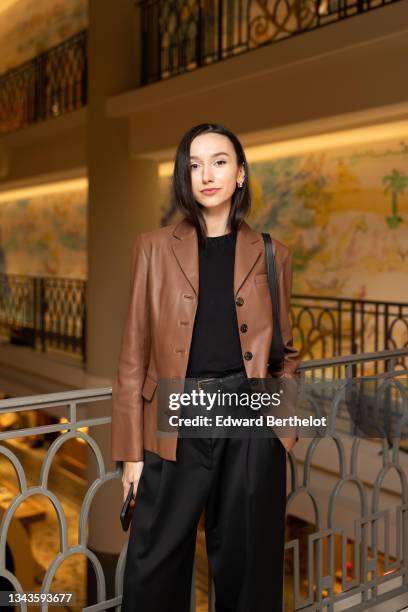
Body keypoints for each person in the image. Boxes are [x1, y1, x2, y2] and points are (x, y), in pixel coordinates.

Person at [111, 123, 301, 611]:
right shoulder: (153, 247)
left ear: (240, 174)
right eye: (194, 165)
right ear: (184, 177)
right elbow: (132, 355)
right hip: (177, 414)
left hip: (249, 418)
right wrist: (131, 452)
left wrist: (282, 432)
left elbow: (288, 354)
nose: (206, 174)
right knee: (153, 569)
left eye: (219, 162)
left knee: (249, 574)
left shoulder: (271, 253)